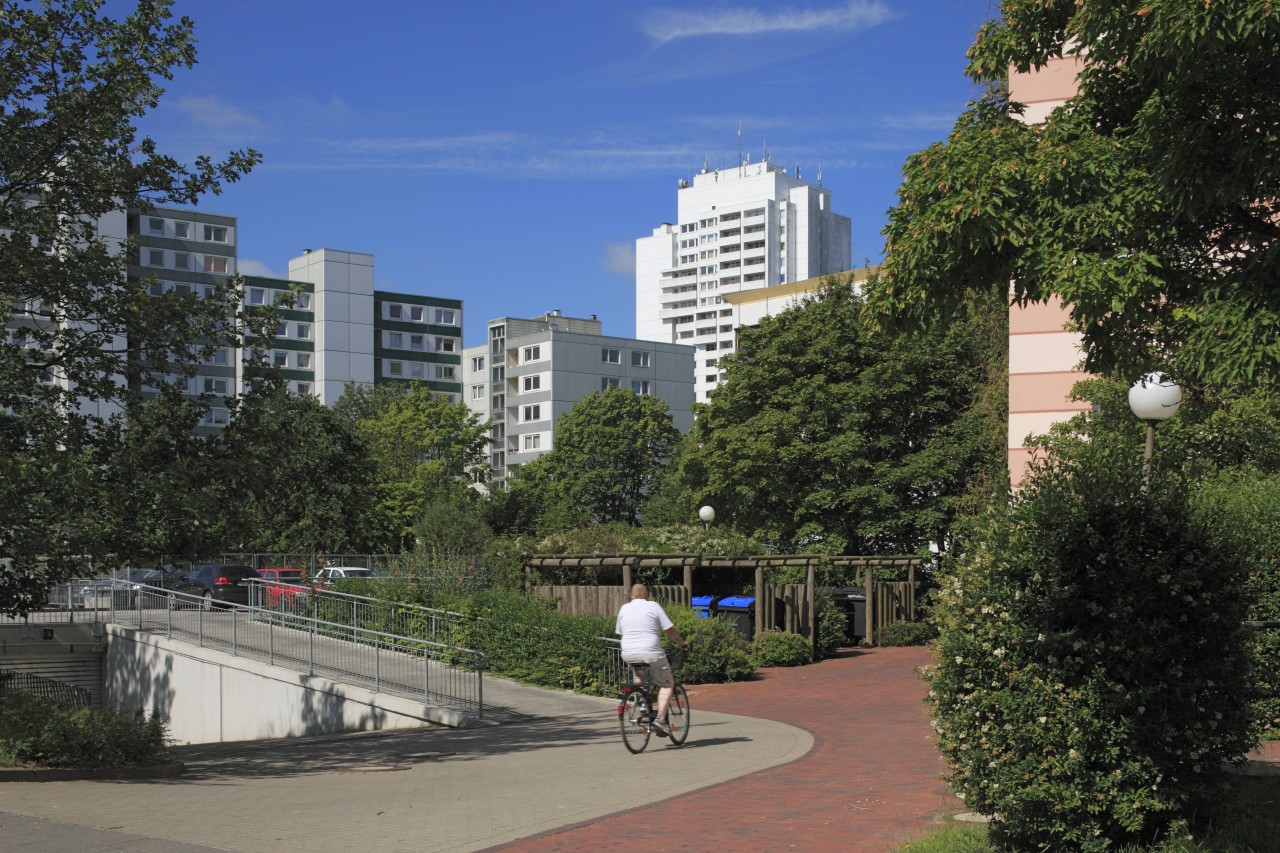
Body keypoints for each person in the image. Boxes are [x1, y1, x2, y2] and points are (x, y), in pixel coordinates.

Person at [615, 583, 690, 737]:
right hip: (651, 652)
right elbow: (669, 630)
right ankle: (661, 720)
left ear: (631, 595)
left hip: (628, 653)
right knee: (667, 683)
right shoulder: (653, 606)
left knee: (640, 678)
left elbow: (620, 632)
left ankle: (642, 705)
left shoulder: (624, 608)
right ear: (646, 594)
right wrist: (681, 643)